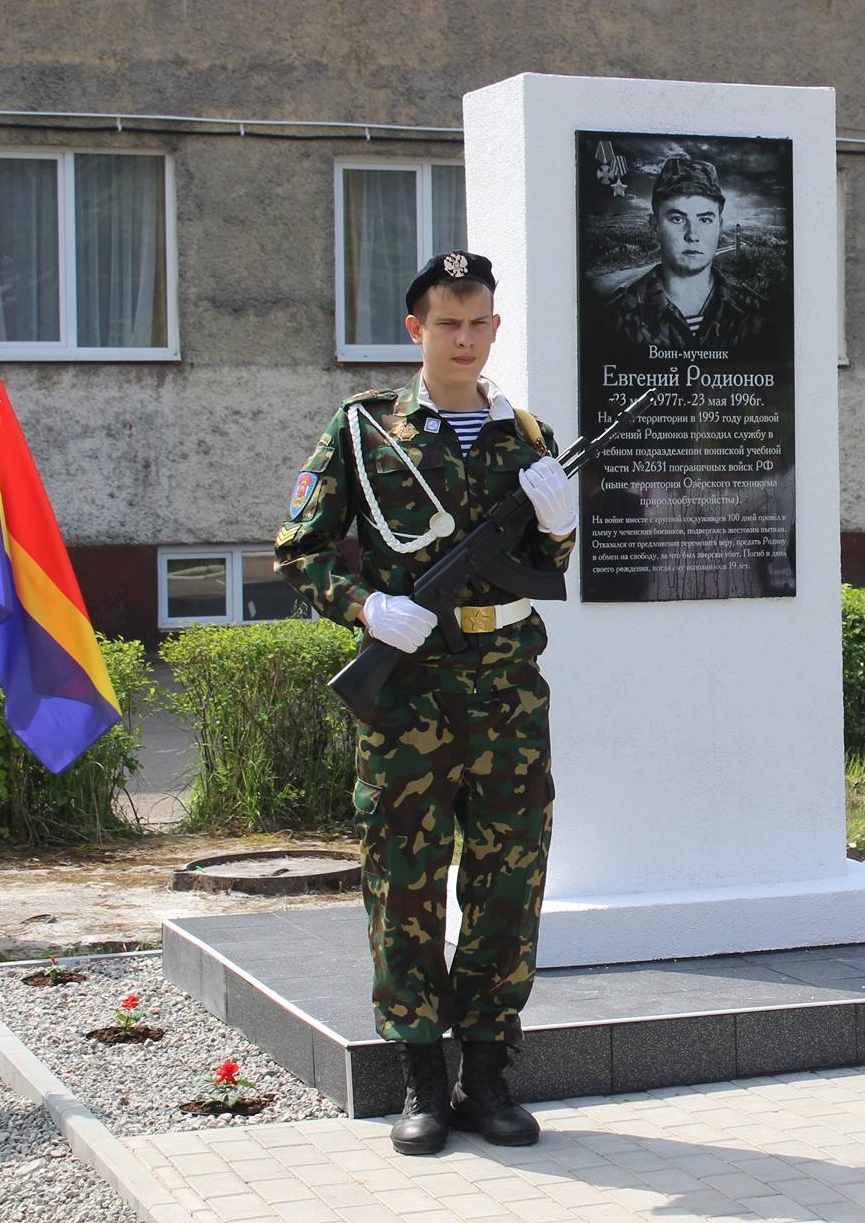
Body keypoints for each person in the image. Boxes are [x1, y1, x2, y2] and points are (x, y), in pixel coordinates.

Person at [275, 251, 576, 1154]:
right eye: (448, 323)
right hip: (408, 691)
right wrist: (368, 606)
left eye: (480, 322)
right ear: (417, 330)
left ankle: (487, 1071)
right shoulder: (366, 431)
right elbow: (302, 548)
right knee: (404, 878)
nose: (465, 338)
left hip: (509, 692)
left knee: (509, 878)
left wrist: (560, 526)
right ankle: (418, 1074)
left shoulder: (530, 436)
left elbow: (547, 570)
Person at [596, 154, 773, 358]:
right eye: (678, 219)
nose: (692, 235)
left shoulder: (756, 314)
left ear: (720, 227)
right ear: (654, 226)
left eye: (705, 220)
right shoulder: (615, 318)